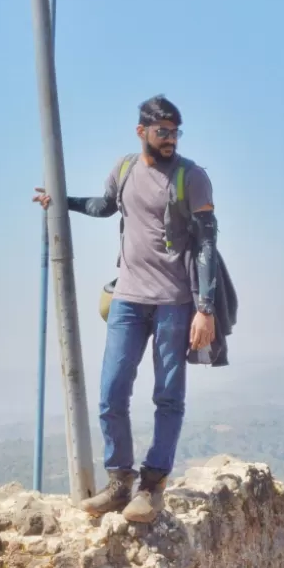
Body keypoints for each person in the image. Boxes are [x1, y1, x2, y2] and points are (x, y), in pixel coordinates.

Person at [33, 94, 218, 525]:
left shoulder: (192, 178)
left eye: (175, 131)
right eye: (162, 131)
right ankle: (119, 482)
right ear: (142, 132)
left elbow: (208, 241)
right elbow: (104, 207)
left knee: (168, 397)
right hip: (128, 299)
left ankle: (152, 487)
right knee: (111, 392)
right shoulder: (125, 169)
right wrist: (61, 201)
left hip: (176, 302)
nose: (170, 139)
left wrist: (204, 309)